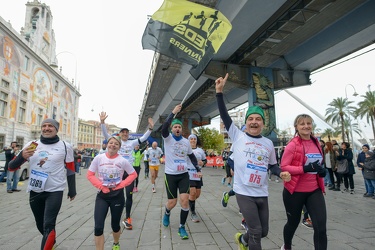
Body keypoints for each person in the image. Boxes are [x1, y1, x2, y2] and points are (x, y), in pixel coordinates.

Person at [215, 73, 291, 250]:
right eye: (250, 119)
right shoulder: (238, 136)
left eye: (258, 119)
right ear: (246, 122)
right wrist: (219, 92)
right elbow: (225, 115)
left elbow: (272, 165)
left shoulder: (268, 143)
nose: (254, 122)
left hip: (261, 192)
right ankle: (248, 240)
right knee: (256, 231)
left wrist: (281, 173)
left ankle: (242, 240)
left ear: (263, 124)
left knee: (263, 231)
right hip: (243, 192)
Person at [8, 118, 76, 250]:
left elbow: (71, 169)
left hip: (55, 190)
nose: (46, 128)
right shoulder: (32, 145)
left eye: (50, 126)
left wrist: (72, 190)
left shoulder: (65, 146)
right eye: (44, 126)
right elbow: (11, 167)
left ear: (56, 129)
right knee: (40, 224)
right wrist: (22, 156)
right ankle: (51, 242)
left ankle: (48, 242)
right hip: (35, 190)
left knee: (49, 224)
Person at [99, 111, 154, 231]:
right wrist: (102, 122)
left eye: (126, 132)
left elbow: (144, 138)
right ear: (119, 134)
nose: (124, 134)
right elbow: (105, 134)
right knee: (116, 195)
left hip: (128, 172)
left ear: (129, 134)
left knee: (129, 196)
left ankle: (128, 217)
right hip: (116, 172)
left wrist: (150, 128)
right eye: (123, 132)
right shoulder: (115, 141)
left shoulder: (132, 142)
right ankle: (114, 213)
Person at [280, 114, 327, 250]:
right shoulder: (292, 144)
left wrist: (321, 171)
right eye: (302, 124)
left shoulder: (316, 142)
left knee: (321, 227)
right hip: (294, 191)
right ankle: (287, 245)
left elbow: (317, 163)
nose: (306, 126)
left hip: (314, 190)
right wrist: (304, 168)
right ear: (297, 127)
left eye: (308, 123)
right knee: (293, 223)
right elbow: (284, 166)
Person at [87, 135, 137, 250]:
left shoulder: (123, 161)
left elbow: (133, 174)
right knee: (98, 227)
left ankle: (116, 243)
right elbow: (89, 174)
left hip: (117, 196)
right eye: (111, 143)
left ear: (119, 147)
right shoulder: (99, 158)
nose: (113, 145)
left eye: (116, 144)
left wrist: (121, 185)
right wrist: (100, 186)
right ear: (107, 144)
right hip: (102, 196)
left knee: (115, 225)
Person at [161, 104, 202, 240]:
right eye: (175, 127)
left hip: (184, 175)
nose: (177, 128)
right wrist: (173, 112)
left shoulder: (186, 142)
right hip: (171, 175)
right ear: (172, 129)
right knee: (172, 203)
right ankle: (167, 213)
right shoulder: (167, 139)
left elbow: (191, 156)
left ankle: (181, 227)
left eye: (179, 127)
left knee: (184, 202)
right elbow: (163, 127)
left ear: (182, 130)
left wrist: (198, 168)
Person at [187, 134, 206, 223]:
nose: (193, 140)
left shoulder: (200, 150)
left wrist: (203, 163)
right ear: (189, 140)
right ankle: (193, 213)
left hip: (198, 174)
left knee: (196, 195)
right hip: (189, 173)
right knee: (193, 192)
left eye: (194, 139)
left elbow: (205, 160)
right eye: (191, 139)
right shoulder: (186, 149)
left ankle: (189, 202)